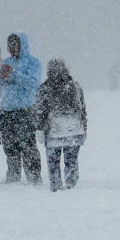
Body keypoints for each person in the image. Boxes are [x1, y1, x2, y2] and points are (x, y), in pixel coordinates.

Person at [0, 32, 44, 183]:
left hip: (24, 111)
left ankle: (34, 178)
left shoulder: (33, 63)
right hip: (6, 112)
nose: (12, 48)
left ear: (22, 45)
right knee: (9, 147)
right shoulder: (6, 62)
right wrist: (0, 76)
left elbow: (33, 83)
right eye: (10, 45)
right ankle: (13, 177)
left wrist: (14, 74)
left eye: (15, 44)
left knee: (28, 146)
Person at [33, 57, 87, 191]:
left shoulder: (45, 88)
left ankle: (56, 184)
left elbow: (41, 110)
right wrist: (84, 127)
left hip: (54, 131)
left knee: (53, 161)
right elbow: (82, 108)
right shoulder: (74, 85)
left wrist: (39, 128)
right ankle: (71, 182)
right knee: (72, 160)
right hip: (74, 129)